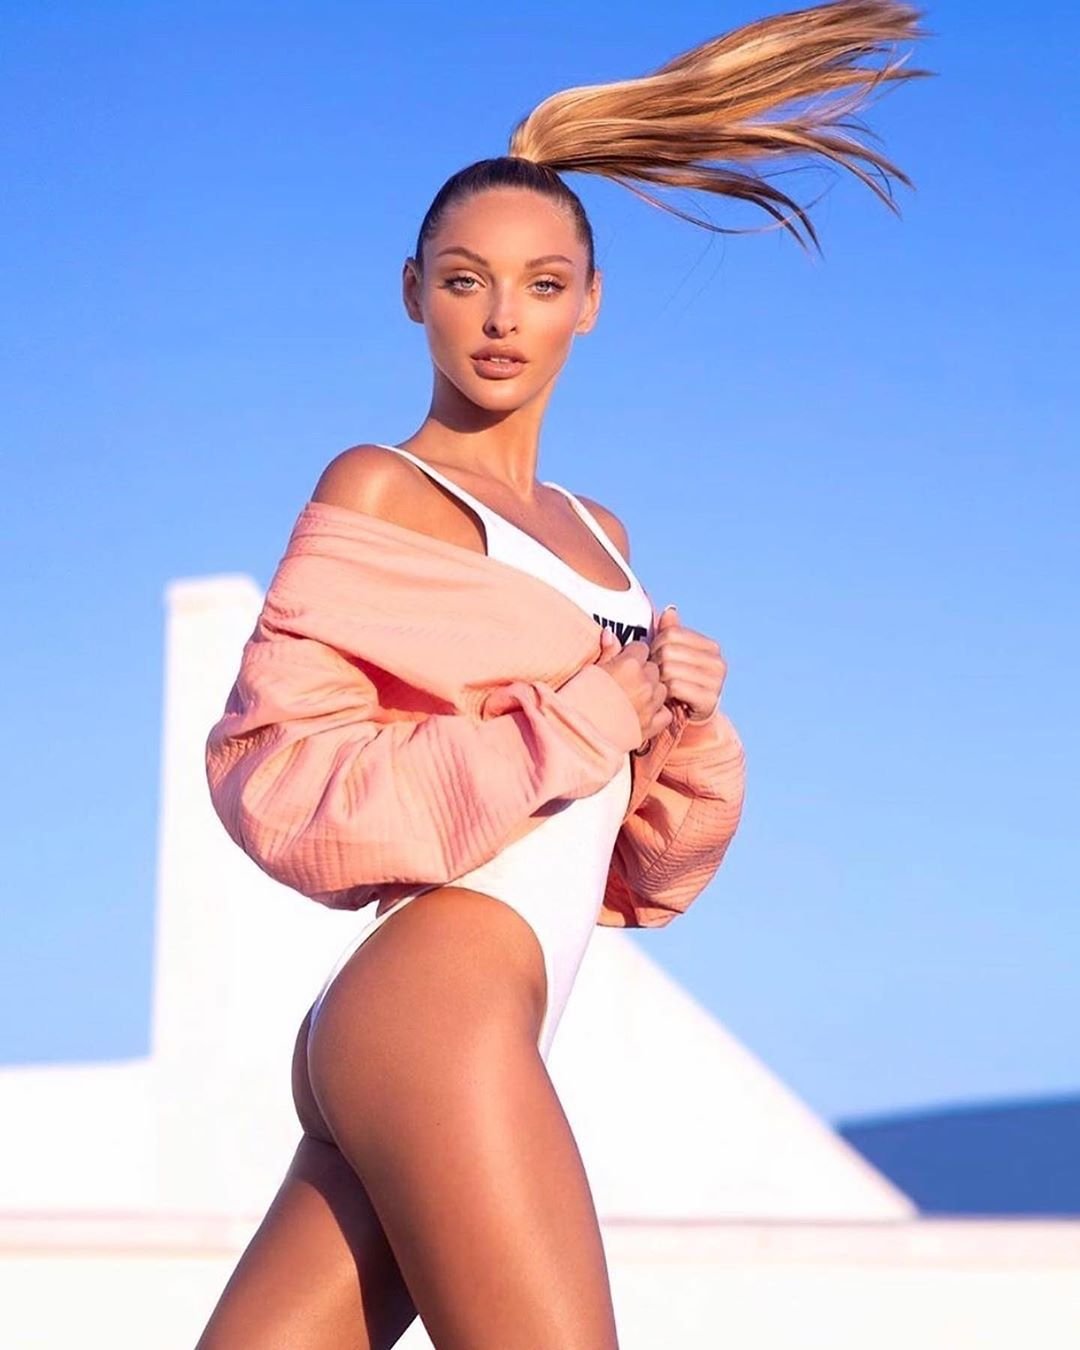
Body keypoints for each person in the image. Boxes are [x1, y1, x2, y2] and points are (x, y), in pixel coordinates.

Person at [196, 3, 931, 1346]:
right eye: (463, 279)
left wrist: (677, 714)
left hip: (479, 1011)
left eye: (541, 285)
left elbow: (628, 857)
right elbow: (275, 772)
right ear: (411, 290)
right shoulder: (382, 489)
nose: (500, 318)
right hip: (435, 1007)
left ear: (590, 305)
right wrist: (593, 708)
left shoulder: (603, 537)